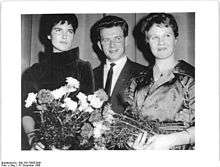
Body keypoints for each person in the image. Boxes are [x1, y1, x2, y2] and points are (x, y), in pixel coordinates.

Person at [22, 14, 94, 150]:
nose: (65, 36)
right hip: (42, 145)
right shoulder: (34, 71)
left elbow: (88, 111)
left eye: (70, 31)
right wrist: (32, 139)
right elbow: (26, 112)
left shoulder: (83, 67)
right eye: (58, 30)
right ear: (48, 35)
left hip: (74, 146)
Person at [126, 13, 195, 150]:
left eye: (167, 36)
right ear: (147, 41)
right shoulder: (137, 81)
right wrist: (133, 142)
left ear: (176, 39)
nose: (161, 42)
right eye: (154, 37)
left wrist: (169, 140)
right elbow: (128, 122)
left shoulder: (191, 78)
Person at [91, 15, 147, 114]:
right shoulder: (90, 76)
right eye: (106, 40)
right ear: (100, 45)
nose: (112, 45)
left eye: (117, 39)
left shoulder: (144, 74)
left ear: (126, 41)